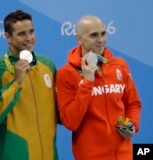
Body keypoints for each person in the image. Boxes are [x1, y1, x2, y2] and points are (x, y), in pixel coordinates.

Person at [56, 15, 141, 160]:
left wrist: (132, 124)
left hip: (125, 154)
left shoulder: (120, 65)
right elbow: (70, 122)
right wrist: (87, 83)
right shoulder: (66, 74)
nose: (101, 40)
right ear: (79, 38)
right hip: (91, 155)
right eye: (94, 35)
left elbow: (133, 103)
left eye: (103, 33)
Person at [0, 10, 58, 160]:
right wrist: (16, 83)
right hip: (14, 155)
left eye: (31, 31)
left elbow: (60, 110)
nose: (29, 38)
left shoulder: (47, 65)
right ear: (8, 37)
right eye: (22, 34)